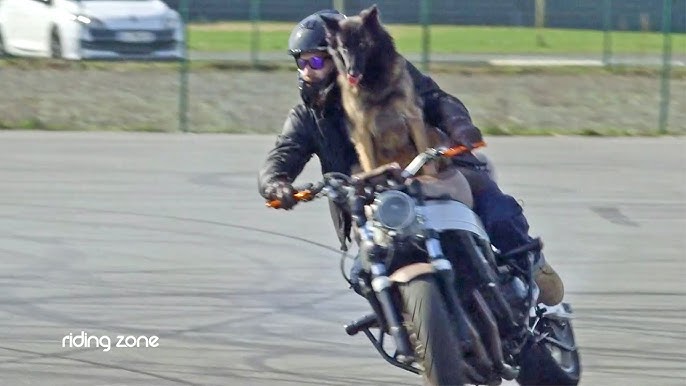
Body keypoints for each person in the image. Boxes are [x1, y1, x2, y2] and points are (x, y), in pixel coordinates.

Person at [257, 9, 564, 307]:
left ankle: (532, 263)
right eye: (301, 62)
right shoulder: (307, 117)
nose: (308, 70)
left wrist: (460, 125)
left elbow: (435, 100)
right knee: (362, 274)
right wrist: (276, 183)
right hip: (370, 202)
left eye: (316, 60)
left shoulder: (391, 76)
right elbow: (285, 152)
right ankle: (411, 326)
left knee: (496, 212)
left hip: (427, 174)